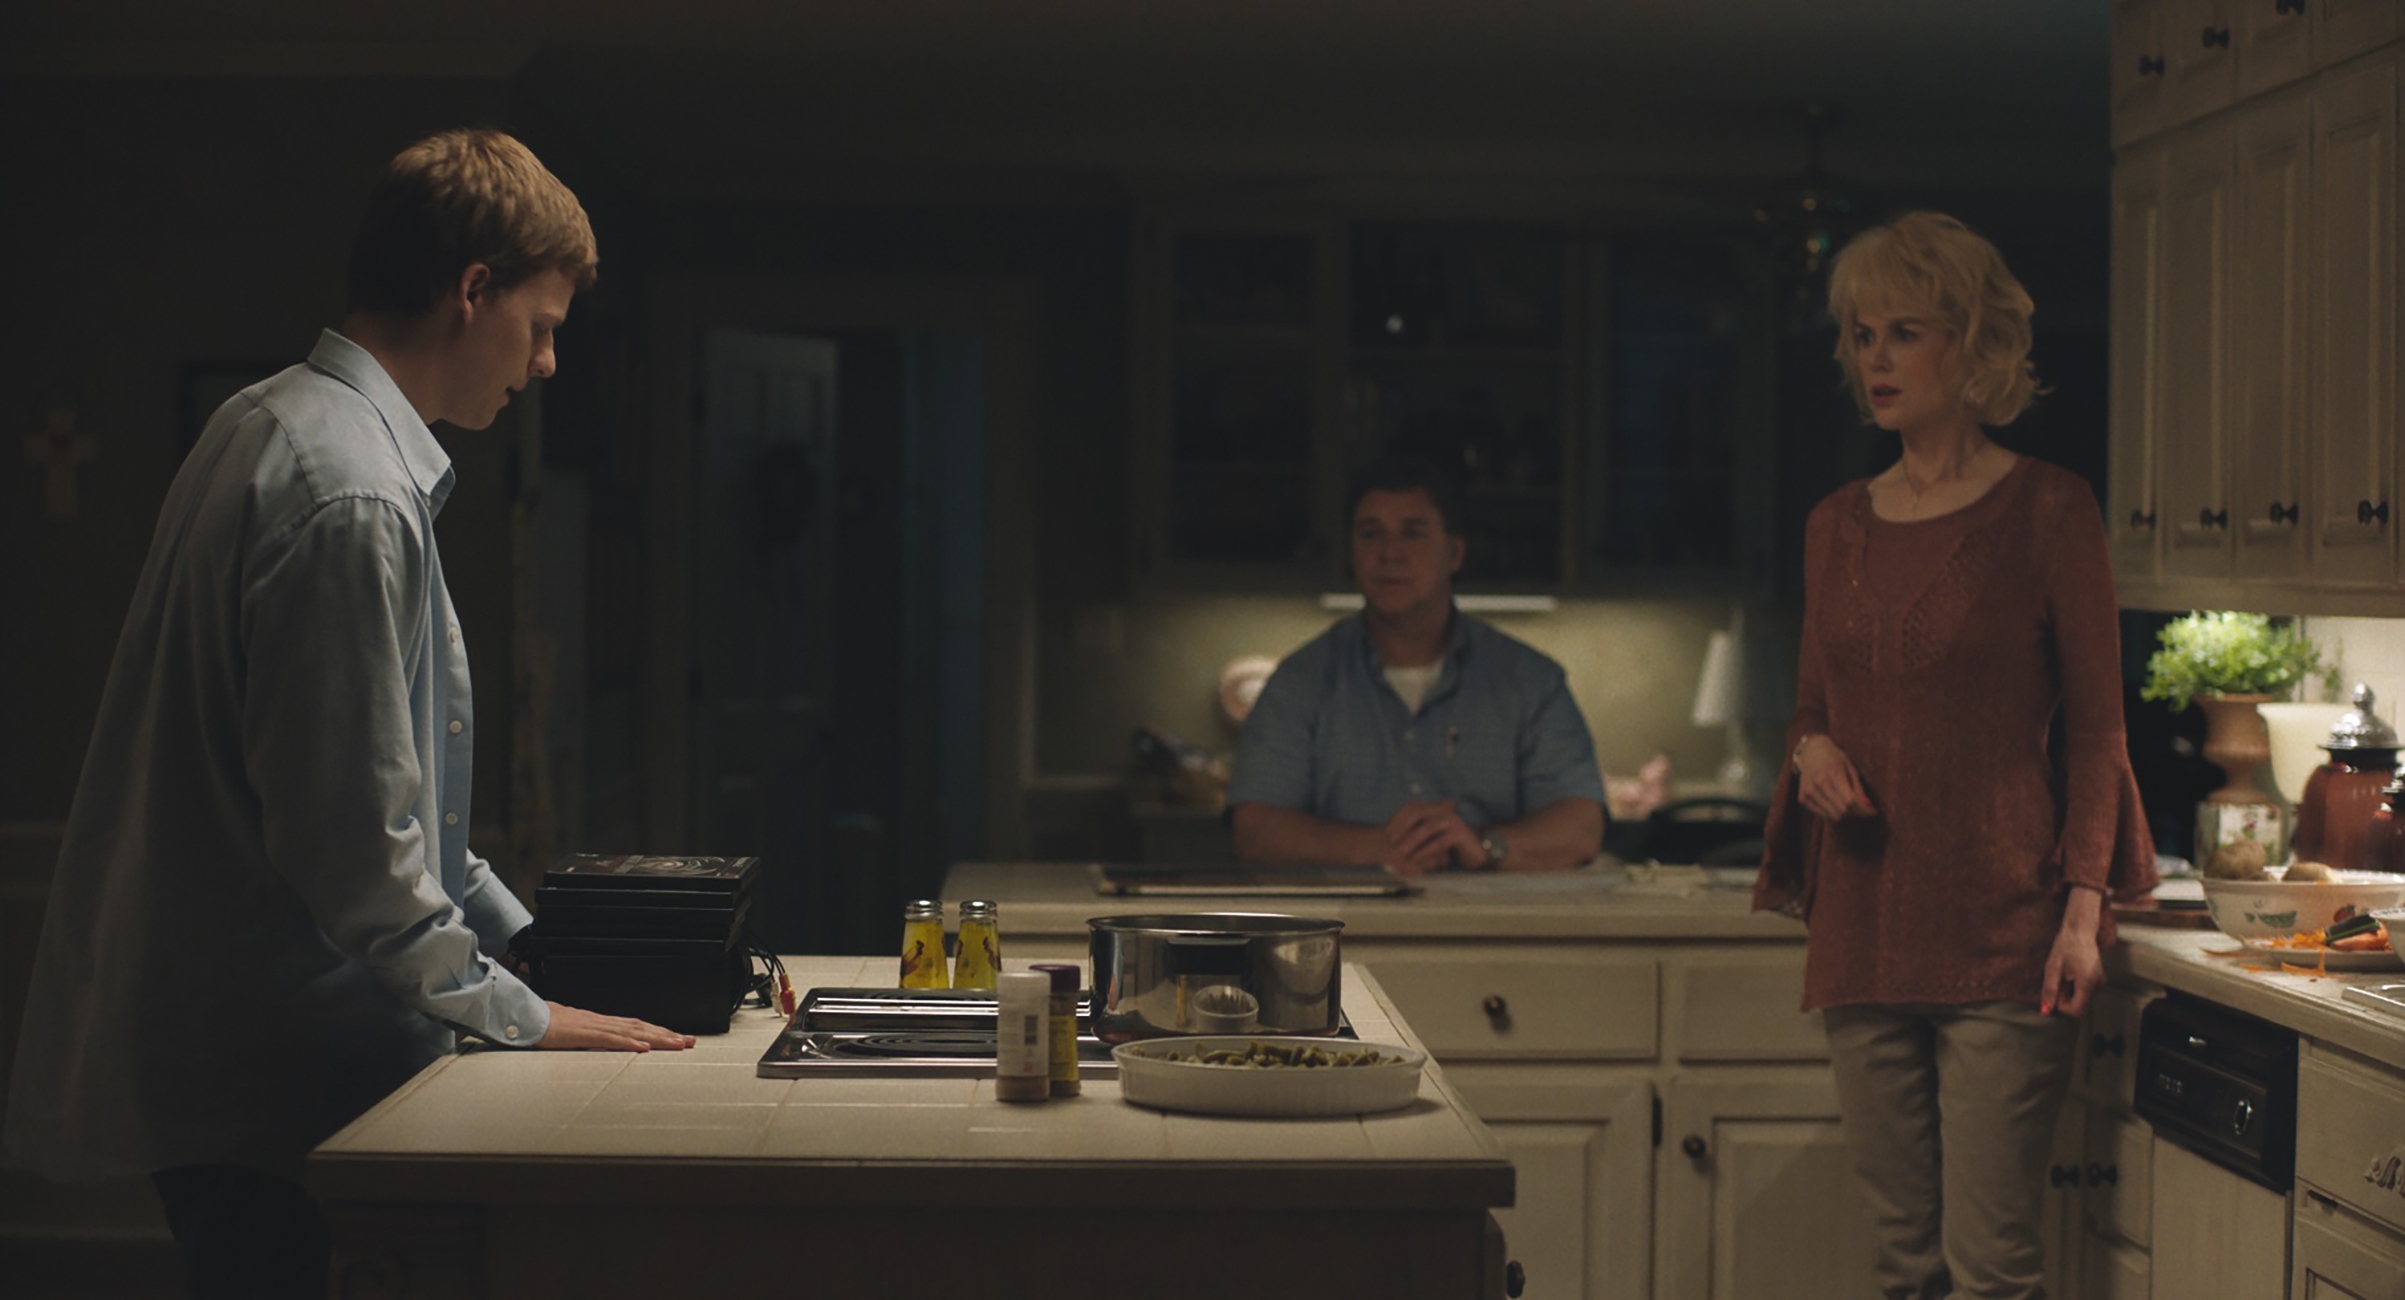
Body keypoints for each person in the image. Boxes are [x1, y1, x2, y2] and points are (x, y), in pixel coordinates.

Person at [3, 130, 694, 1299]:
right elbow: (356, 848)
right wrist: (526, 1012)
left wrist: (536, 943)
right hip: (278, 1087)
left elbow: (395, 808)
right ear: (471, 290)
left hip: (254, 1068)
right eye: (541, 326)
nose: (545, 365)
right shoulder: (353, 493)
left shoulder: (270, 422)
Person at [1753, 211, 2158, 1300]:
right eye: (1860, 335)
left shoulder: (2048, 509)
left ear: (1971, 343)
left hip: (2003, 936)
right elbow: (1806, 710)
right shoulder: (1834, 523)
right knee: (1901, 1264)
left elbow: (2097, 730)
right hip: (1863, 930)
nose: (1873, 359)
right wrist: (1810, 753)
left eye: (1903, 332)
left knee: (1990, 1267)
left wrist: (2081, 909)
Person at [1227, 454, 1607, 873]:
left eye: (1413, 533)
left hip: (1493, 914)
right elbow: (1255, 830)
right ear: (1352, 552)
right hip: (1349, 915)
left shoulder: (1529, 681)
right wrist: (1372, 848)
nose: (1390, 552)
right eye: (1371, 534)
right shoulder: (1301, 681)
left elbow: (1581, 825)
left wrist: (1485, 845)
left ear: (1455, 553)